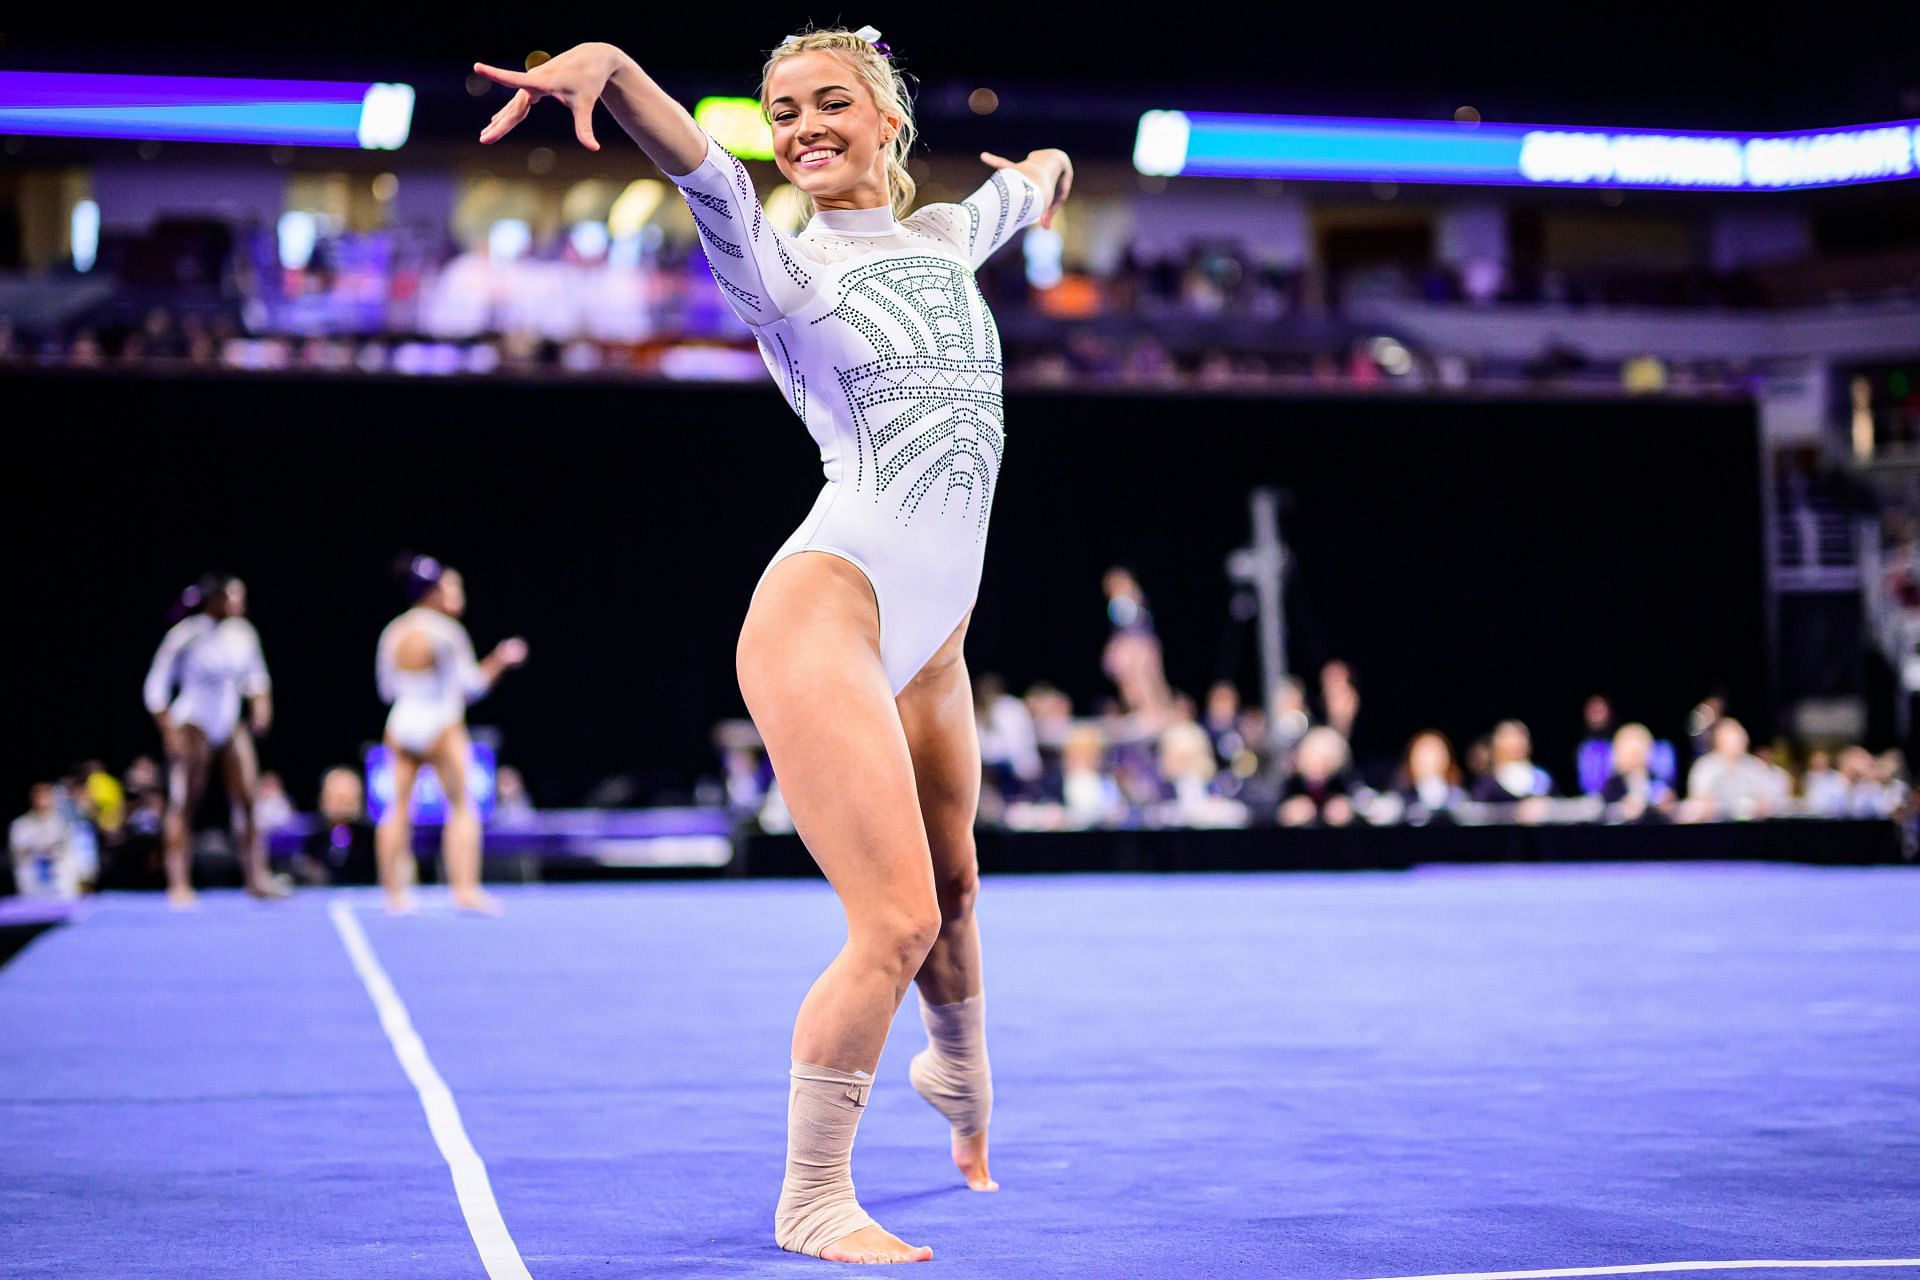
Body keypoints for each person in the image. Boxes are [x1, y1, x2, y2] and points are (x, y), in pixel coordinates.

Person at [472, 25, 1070, 1263]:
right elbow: (709, 176)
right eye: (782, 109)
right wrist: (617, 73)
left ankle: (960, 1082)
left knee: (959, 889)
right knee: (895, 917)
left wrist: (1051, 169)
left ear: (889, 121)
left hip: (932, 638)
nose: (801, 127)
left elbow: (1031, 183)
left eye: (828, 103)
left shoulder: (949, 238)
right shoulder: (784, 269)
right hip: (828, 608)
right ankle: (812, 1199)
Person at [375, 555, 527, 915]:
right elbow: (471, 686)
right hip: (439, 721)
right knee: (461, 807)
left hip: (401, 721)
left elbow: (385, 689)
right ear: (431, 593)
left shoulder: (393, 631)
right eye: (450, 588)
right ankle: (465, 890)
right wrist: (500, 660)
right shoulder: (446, 632)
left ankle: (394, 895)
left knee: (397, 808)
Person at [143, 574, 285, 906]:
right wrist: (169, 731)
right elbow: (155, 687)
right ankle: (178, 883)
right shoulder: (185, 635)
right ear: (215, 599)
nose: (240, 603)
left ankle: (256, 877)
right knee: (184, 802)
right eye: (233, 597)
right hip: (193, 721)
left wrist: (261, 707)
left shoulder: (244, 634)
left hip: (228, 720)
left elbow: (256, 677)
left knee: (249, 799)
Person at [10, 783, 79, 900]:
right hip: (33, 887)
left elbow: (72, 852)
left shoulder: (64, 823)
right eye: (39, 796)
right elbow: (17, 853)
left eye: (46, 796)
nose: (43, 800)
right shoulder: (20, 826)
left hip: (61, 888)